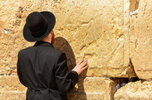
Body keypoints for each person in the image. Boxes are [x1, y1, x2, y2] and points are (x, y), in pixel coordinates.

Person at [17, 11, 88, 100]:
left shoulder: (22, 55)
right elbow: (64, 87)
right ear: (51, 31)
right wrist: (75, 73)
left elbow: (24, 81)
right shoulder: (57, 56)